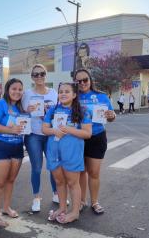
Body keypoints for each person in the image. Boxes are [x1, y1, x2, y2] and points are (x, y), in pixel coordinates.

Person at [43, 83, 92, 224]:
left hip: (72, 153)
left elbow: (87, 133)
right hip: (53, 152)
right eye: (61, 92)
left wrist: (68, 129)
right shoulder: (52, 110)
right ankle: (62, 208)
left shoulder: (82, 111)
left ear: (74, 95)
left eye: (67, 91)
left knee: (72, 183)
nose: (63, 94)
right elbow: (44, 129)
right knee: (59, 181)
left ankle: (75, 212)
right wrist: (54, 131)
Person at [74, 69, 116, 214]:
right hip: (78, 137)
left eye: (85, 79)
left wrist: (111, 115)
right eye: (78, 81)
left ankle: (95, 202)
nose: (82, 83)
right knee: (81, 172)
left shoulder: (101, 96)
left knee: (94, 172)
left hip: (97, 137)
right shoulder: (73, 97)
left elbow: (111, 117)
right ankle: (81, 201)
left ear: (90, 80)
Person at [0, 78, 25, 227]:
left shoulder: (20, 108)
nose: (17, 92)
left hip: (17, 146)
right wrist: (10, 130)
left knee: (10, 180)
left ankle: (6, 207)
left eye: (20, 89)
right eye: (14, 88)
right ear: (8, 90)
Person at [22, 64, 58, 212]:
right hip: (34, 135)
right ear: (32, 77)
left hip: (50, 134)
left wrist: (51, 114)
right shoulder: (27, 94)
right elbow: (20, 114)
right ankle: (36, 198)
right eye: (36, 74)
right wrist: (27, 111)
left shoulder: (54, 93)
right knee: (36, 168)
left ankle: (56, 194)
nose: (39, 77)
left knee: (53, 166)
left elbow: (61, 112)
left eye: (41, 73)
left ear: (46, 75)